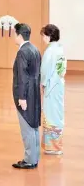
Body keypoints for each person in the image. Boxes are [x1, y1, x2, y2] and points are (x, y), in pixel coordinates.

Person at [11, 23, 42, 169]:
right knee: (34, 125)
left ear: (19, 34)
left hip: (26, 94)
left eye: (14, 33)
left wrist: (22, 98)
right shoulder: (35, 49)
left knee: (27, 127)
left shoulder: (22, 52)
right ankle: (34, 157)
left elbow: (22, 77)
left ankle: (29, 159)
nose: (13, 37)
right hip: (34, 92)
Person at [40, 24, 66, 155]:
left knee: (51, 114)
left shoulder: (50, 51)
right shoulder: (59, 49)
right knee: (57, 113)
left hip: (51, 86)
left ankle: (53, 147)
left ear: (49, 36)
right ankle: (56, 145)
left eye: (44, 35)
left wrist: (43, 84)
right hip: (58, 84)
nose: (43, 38)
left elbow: (45, 71)